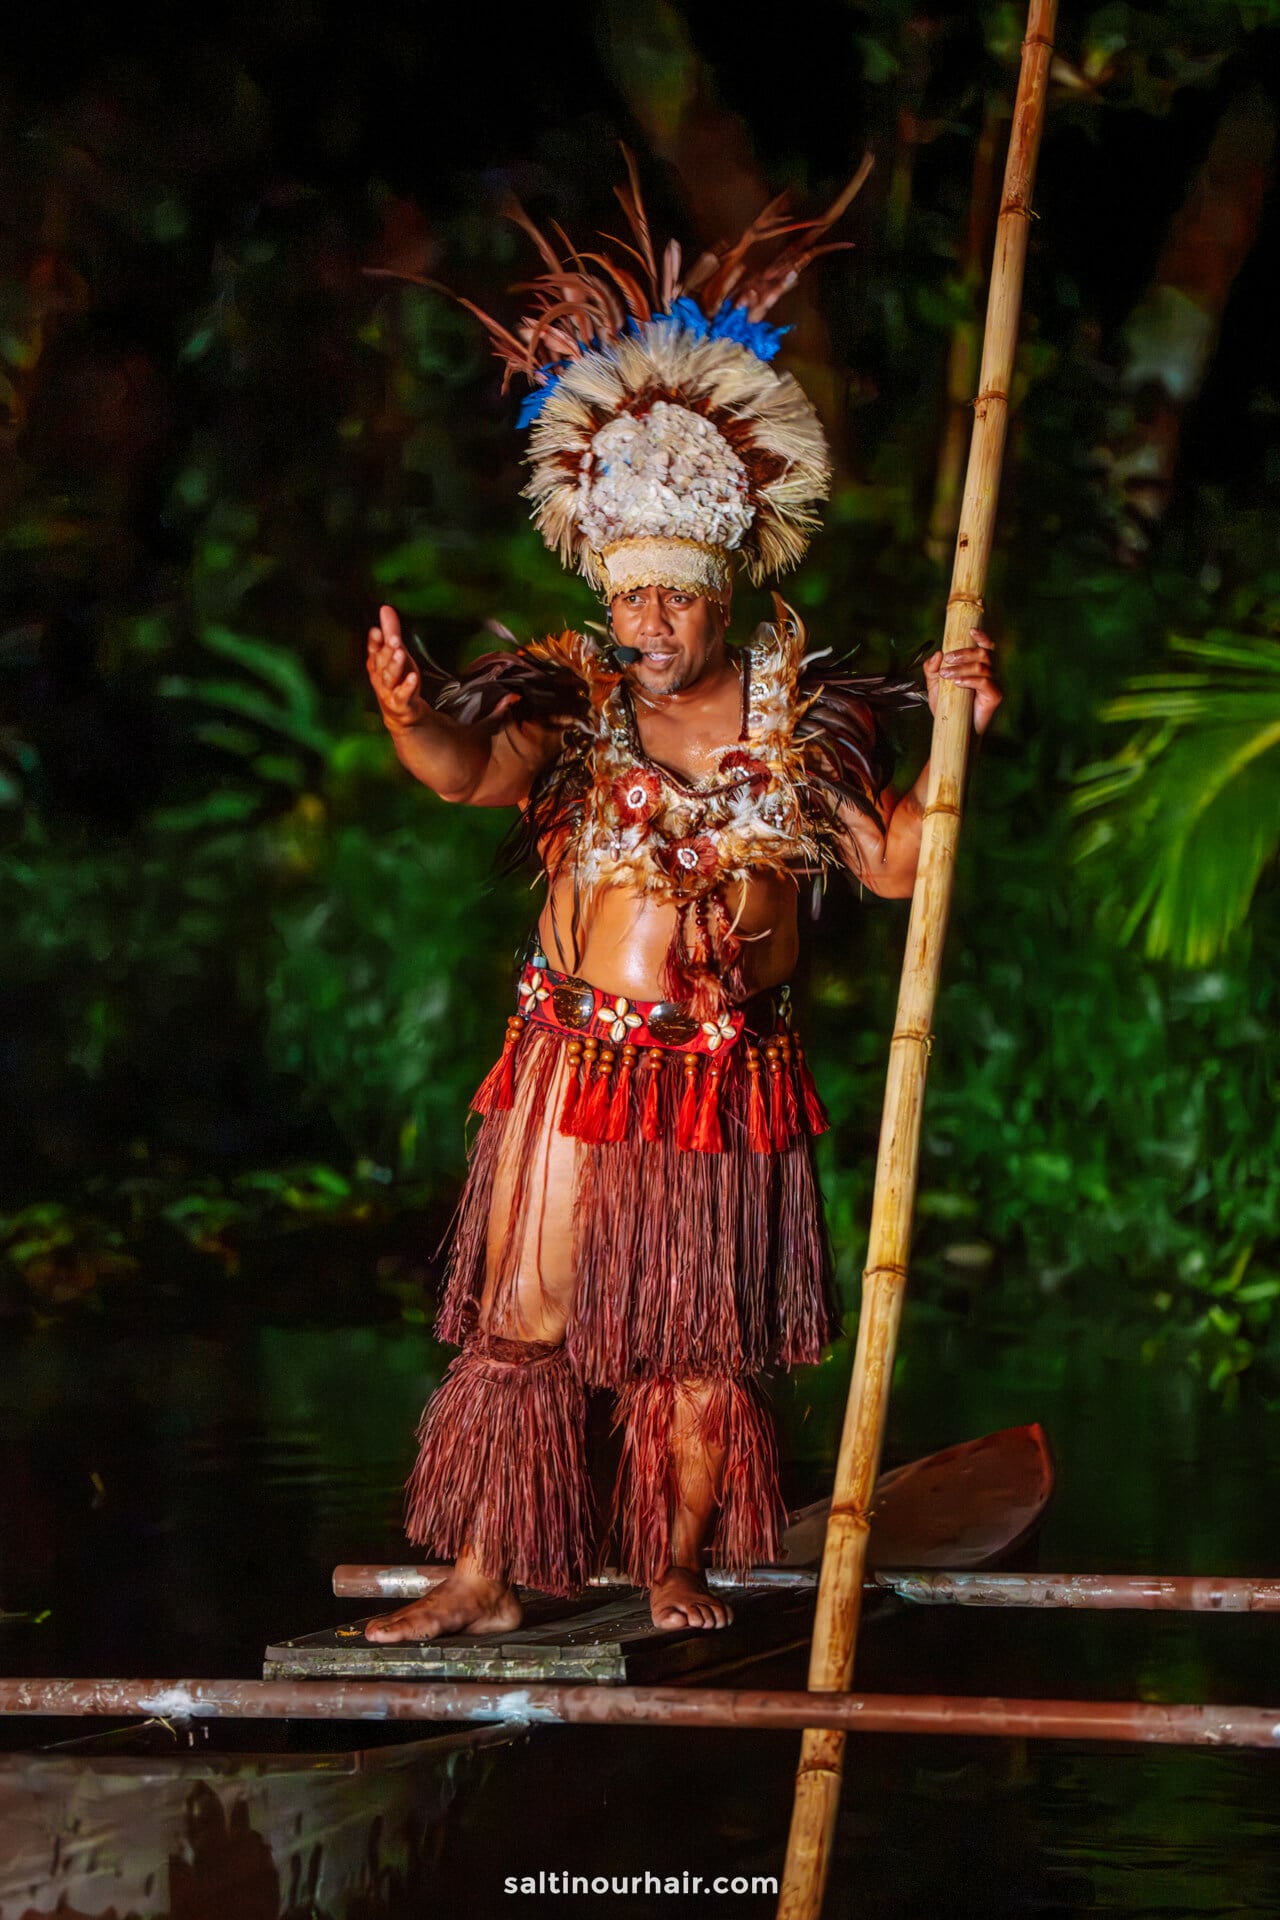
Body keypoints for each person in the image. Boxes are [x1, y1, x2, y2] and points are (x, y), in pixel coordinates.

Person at [360, 174, 1001, 1642]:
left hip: (727, 1073)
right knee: (522, 1323)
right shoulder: (573, 700)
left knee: (698, 1353)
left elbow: (901, 869)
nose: (643, 628)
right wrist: (410, 717)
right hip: (574, 1061)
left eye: (671, 603)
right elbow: (468, 769)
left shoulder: (805, 722)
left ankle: (675, 1563)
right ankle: (480, 1576)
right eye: (626, 597)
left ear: (722, 589)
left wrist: (962, 728)